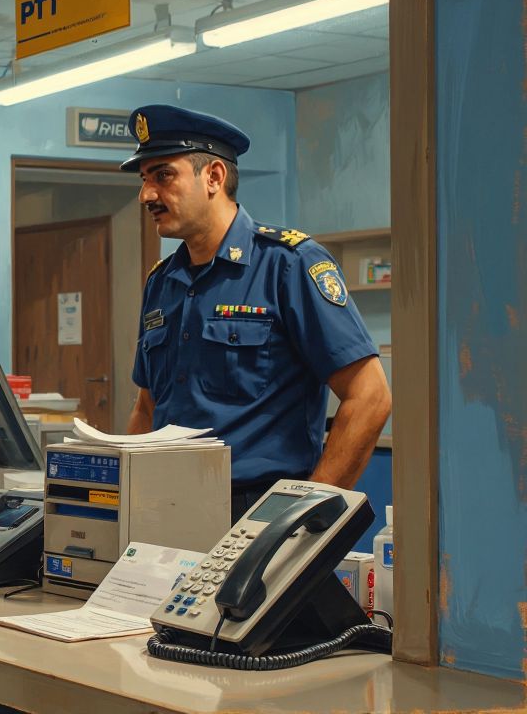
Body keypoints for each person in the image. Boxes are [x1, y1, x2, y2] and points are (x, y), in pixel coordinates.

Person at [121, 104, 391, 521]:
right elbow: (147, 408)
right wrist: (121, 499)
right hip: (167, 509)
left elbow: (370, 396)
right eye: (144, 180)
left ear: (213, 176)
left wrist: (306, 515)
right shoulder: (162, 282)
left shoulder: (288, 264)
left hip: (258, 510)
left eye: (162, 175)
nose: (147, 195)